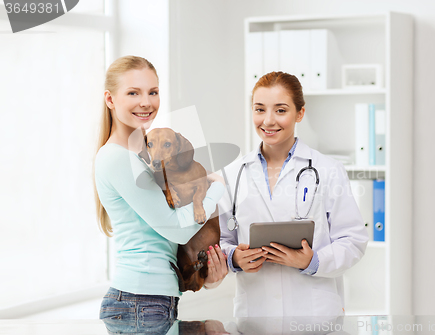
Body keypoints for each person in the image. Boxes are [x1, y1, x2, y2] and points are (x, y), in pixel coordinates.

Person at [94, 56, 228, 334]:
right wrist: (216, 185)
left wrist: (208, 275)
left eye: (152, 92)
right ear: (110, 99)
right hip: (139, 302)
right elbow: (176, 230)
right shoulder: (120, 158)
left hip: (148, 302)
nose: (146, 102)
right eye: (133, 93)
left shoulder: (143, 157)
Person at [219, 71, 369, 317]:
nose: (268, 121)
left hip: (314, 317)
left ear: (300, 113)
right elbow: (223, 240)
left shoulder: (328, 170)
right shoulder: (233, 174)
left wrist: (313, 262)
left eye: (280, 110)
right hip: (255, 319)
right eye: (259, 109)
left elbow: (353, 241)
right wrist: (235, 258)